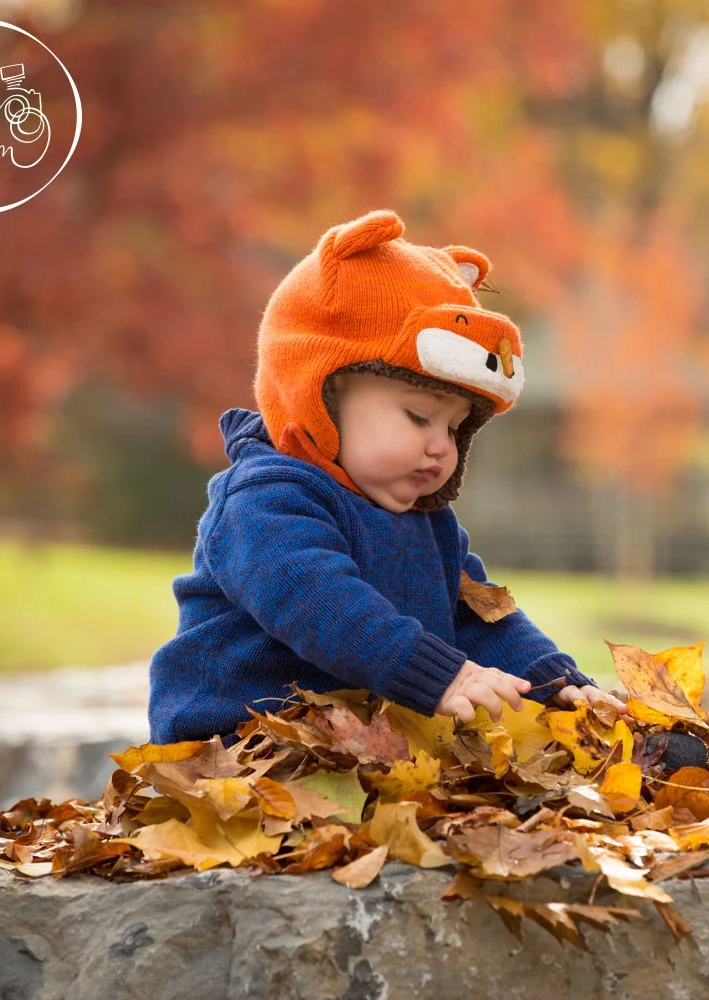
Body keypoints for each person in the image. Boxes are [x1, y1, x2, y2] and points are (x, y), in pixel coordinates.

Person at [149, 209, 617, 744]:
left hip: (362, 743)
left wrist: (552, 683)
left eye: (455, 427)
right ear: (320, 395)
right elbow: (319, 601)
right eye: (418, 417)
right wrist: (438, 673)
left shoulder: (428, 523)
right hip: (242, 743)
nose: (441, 445)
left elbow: (479, 616)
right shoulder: (264, 499)